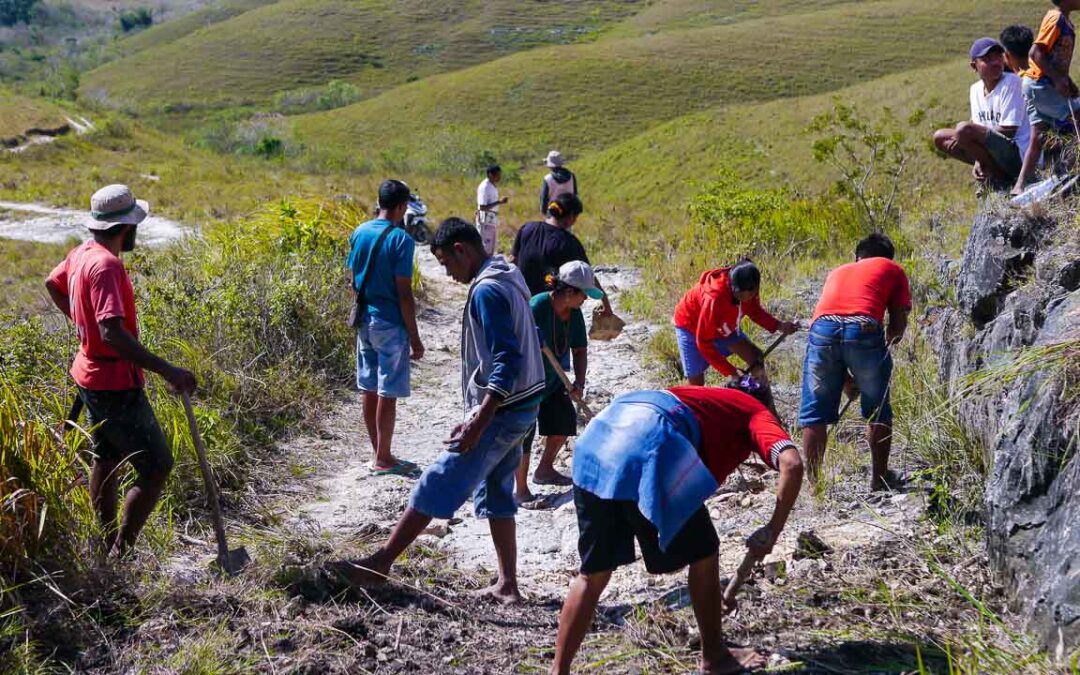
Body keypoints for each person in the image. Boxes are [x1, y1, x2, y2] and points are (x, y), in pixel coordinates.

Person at [344, 218, 545, 603]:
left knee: (438, 479)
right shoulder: (510, 273)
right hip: (522, 405)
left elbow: (506, 359)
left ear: (461, 250)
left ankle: (379, 565)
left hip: (506, 410)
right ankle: (508, 585)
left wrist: (479, 421)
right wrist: (477, 409)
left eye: (445, 264)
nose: (448, 275)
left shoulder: (487, 290)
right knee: (498, 492)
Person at [550, 384, 803, 675]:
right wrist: (772, 530)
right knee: (705, 552)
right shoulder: (755, 410)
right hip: (650, 445)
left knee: (592, 573)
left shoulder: (705, 400)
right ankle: (715, 658)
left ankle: (559, 670)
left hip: (596, 444)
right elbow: (792, 464)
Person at [44, 184, 197, 557]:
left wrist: (83, 325)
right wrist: (168, 370)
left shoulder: (81, 253)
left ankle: (105, 543)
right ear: (127, 227)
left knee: (106, 458)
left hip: (88, 374)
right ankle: (121, 551)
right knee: (157, 464)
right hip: (112, 382)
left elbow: (52, 282)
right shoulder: (107, 266)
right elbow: (112, 332)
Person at [799, 233, 910, 492]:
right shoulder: (893, 269)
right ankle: (879, 480)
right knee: (877, 408)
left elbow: (835, 336)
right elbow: (897, 326)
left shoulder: (838, 271)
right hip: (863, 326)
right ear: (887, 258)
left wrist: (847, 379)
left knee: (815, 412)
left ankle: (815, 486)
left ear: (857, 257)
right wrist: (878, 362)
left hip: (822, 329)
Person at [346, 179, 425, 476]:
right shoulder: (401, 240)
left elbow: (353, 279)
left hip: (364, 317)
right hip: (389, 322)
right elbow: (404, 292)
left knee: (368, 386)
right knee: (387, 390)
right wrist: (415, 337)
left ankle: (378, 452)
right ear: (403, 207)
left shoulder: (359, 231)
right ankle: (384, 458)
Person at [514, 260, 603, 506]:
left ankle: (544, 470)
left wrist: (579, 383)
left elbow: (580, 350)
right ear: (569, 291)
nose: (586, 300)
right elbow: (517, 340)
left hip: (554, 379)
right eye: (584, 294)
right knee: (525, 433)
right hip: (526, 380)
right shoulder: (537, 306)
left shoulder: (574, 315)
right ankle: (521, 490)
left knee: (564, 420)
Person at [673, 261, 798, 387]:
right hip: (690, 326)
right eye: (738, 294)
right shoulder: (714, 298)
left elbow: (754, 311)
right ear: (732, 285)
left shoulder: (750, 287)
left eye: (751, 294)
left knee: (756, 357)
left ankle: (761, 399)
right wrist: (732, 372)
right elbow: (704, 342)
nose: (745, 298)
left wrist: (779, 325)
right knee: (696, 387)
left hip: (723, 327)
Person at [932, 38, 1031, 192]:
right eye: (986, 59)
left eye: (998, 56)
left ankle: (999, 178)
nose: (995, 62)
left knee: (964, 130)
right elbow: (978, 127)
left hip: (1018, 155)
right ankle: (994, 174)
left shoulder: (1012, 82)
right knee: (940, 137)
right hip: (993, 153)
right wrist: (977, 154)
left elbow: (1009, 130)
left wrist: (972, 142)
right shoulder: (975, 90)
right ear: (974, 66)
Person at [1013, 0, 1080, 196]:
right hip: (1042, 84)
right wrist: (1058, 79)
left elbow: (1054, 59)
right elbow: (1036, 53)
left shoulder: (1065, 22)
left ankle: (1019, 186)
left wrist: (1067, 80)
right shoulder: (1056, 18)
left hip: (1039, 84)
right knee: (1076, 116)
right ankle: (1068, 172)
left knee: (1037, 136)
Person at [510, 193, 612, 314]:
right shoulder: (569, 243)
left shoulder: (527, 229)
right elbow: (587, 276)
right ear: (571, 217)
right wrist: (606, 304)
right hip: (549, 307)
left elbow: (512, 261)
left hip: (519, 301)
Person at [476, 164, 507, 256]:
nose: (499, 177)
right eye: (497, 175)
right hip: (485, 218)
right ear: (490, 174)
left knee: (492, 245)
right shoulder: (484, 187)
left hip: (491, 218)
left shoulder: (492, 186)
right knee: (485, 245)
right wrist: (499, 202)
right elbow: (482, 207)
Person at [539, 150, 577, 215]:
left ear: (550, 165)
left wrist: (544, 212)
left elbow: (544, 199)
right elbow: (575, 194)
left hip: (553, 212)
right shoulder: (571, 176)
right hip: (568, 212)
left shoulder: (547, 179)